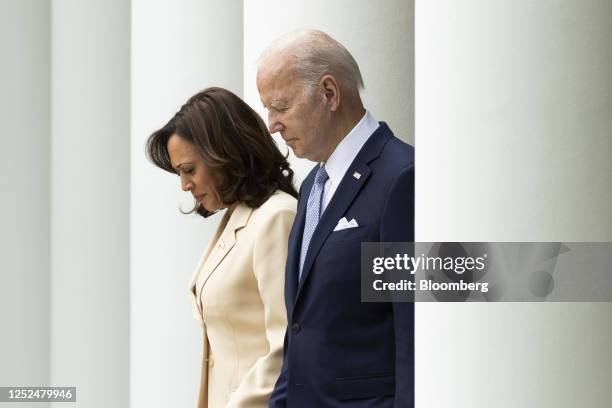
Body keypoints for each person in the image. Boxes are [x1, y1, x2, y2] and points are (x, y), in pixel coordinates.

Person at [257, 30, 415, 407]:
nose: (271, 124)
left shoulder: (402, 177)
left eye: (280, 106)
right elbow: (299, 331)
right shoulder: (312, 183)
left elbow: (412, 334)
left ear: (329, 93)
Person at [146, 87, 297, 408]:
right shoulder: (238, 217)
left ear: (225, 154)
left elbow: (286, 344)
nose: (185, 185)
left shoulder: (276, 217)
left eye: (189, 170)